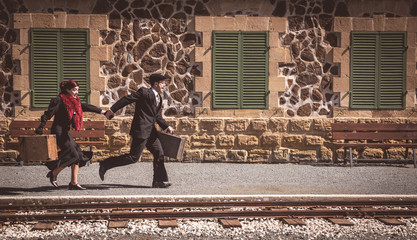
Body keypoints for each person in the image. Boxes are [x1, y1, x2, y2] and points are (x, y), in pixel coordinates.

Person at [100, 73, 174, 188]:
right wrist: (112, 110)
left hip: (151, 132)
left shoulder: (158, 97)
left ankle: (158, 181)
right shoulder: (144, 92)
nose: (164, 85)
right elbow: (127, 99)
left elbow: (157, 116)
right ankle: (106, 163)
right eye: (162, 83)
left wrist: (166, 126)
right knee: (133, 157)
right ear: (156, 84)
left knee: (159, 153)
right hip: (141, 130)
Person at [35, 80, 107, 190]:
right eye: (74, 90)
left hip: (65, 132)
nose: (76, 92)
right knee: (74, 155)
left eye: (77, 90)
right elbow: (47, 114)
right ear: (67, 90)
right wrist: (41, 126)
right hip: (58, 132)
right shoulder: (59, 100)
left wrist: (103, 112)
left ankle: (73, 183)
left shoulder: (74, 102)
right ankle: (54, 173)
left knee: (77, 154)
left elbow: (86, 106)